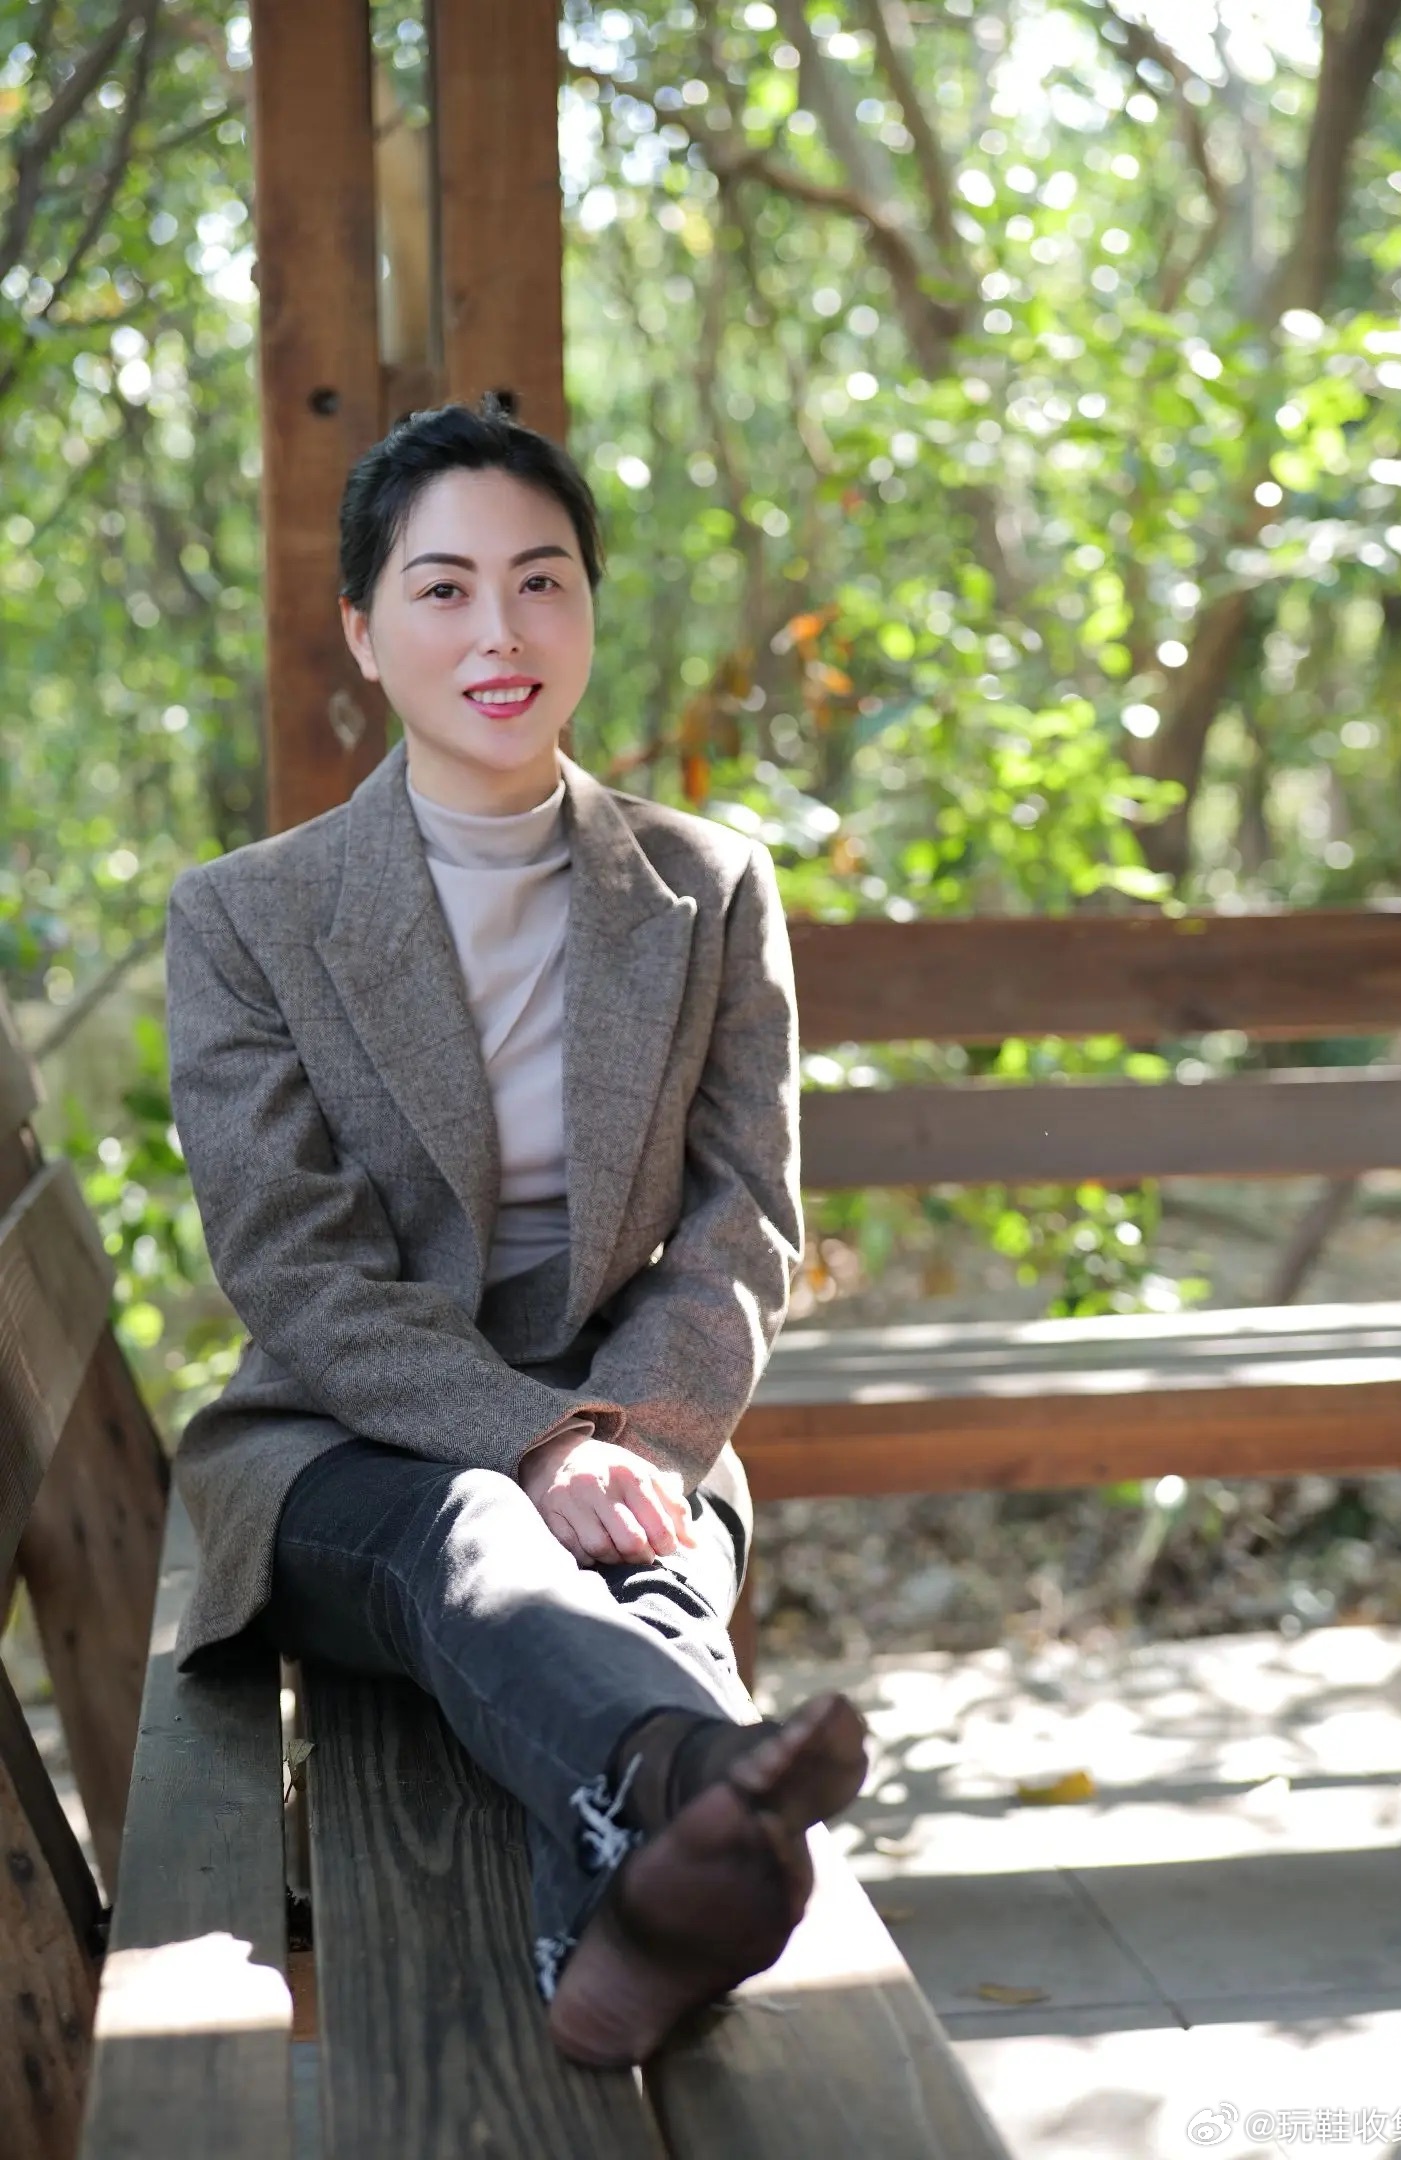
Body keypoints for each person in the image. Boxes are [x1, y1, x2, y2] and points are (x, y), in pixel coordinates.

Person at [163, 393, 868, 2068]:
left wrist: (623, 1435)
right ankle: (693, 1780)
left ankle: (624, 1917)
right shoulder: (249, 918)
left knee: (658, 1571)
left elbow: (743, 1226)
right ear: (363, 628)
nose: (502, 631)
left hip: (640, 1417)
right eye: (445, 587)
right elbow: (299, 1271)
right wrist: (533, 1441)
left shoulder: (706, 888)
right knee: (480, 1526)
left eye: (542, 581)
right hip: (344, 1449)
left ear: (590, 610)